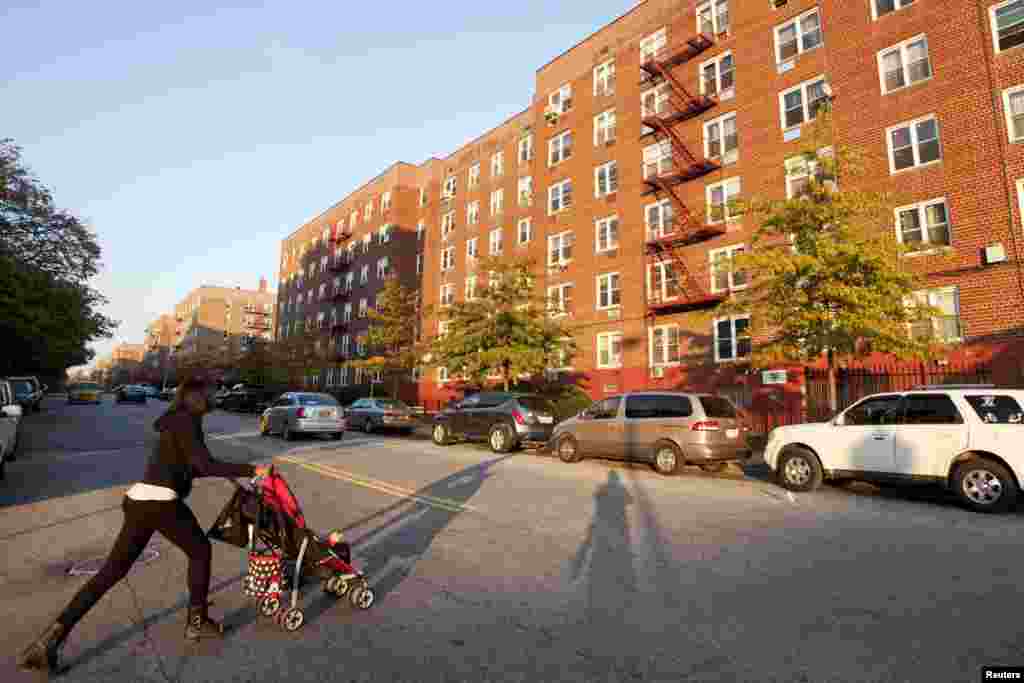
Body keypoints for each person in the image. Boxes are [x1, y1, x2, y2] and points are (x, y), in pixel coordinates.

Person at [18, 378, 271, 674]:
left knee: (111, 572)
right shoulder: (187, 421)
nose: (215, 398)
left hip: (140, 500)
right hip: (160, 503)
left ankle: (49, 640)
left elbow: (189, 467)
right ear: (198, 398)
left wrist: (230, 476)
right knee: (200, 551)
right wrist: (251, 468)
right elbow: (203, 464)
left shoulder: (174, 421)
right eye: (211, 394)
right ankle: (197, 622)